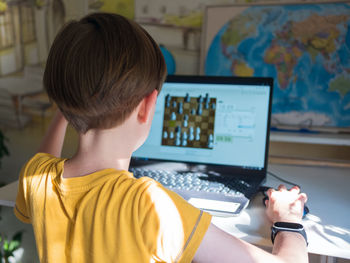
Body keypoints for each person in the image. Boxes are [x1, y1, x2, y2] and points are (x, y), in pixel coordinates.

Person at [14, 12, 308, 263]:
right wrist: (288, 220)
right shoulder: (150, 205)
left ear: (65, 102)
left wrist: (67, 107)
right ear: (148, 106)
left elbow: (44, 160)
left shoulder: (37, 179)